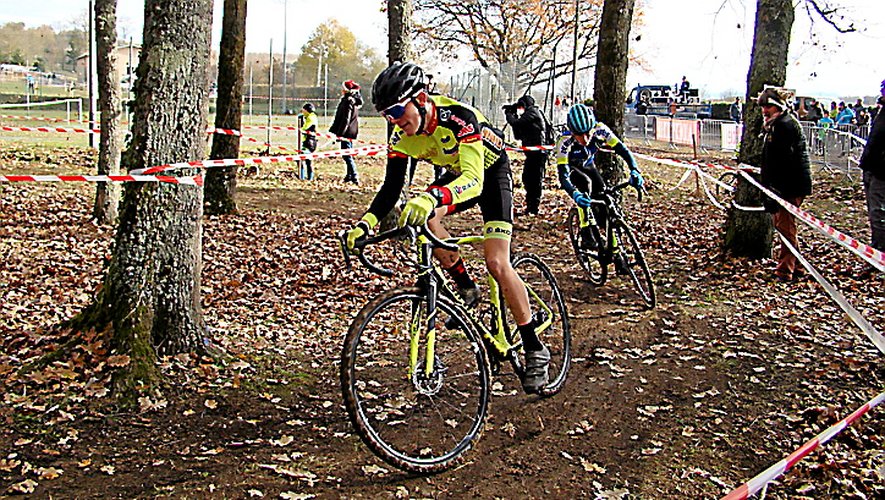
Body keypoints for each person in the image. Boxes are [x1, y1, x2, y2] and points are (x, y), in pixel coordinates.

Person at [343, 62, 551, 393]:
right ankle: (466, 288)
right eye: (386, 116)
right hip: (457, 176)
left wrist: (432, 196)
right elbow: (391, 186)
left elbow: (474, 179)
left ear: (421, 98)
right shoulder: (402, 136)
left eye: (397, 111)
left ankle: (534, 347)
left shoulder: (459, 118)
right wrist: (365, 224)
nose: (394, 121)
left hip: (489, 175)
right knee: (426, 218)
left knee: (497, 262)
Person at [555, 103, 644, 271]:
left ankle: (617, 252)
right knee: (585, 186)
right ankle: (586, 230)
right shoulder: (564, 142)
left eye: (588, 133)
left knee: (606, 199)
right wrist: (574, 194)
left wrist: (634, 170)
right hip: (573, 169)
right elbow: (563, 176)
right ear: (572, 133)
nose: (586, 138)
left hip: (589, 166)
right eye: (580, 136)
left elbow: (623, 151)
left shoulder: (600, 129)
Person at [756, 87, 812, 282]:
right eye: (763, 106)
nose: (765, 110)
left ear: (778, 106)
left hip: (789, 186)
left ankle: (785, 270)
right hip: (783, 185)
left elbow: (783, 162)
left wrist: (776, 190)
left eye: (768, 106)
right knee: (784, 227)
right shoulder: (776, 124)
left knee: (786, 229)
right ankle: (797, 267)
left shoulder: (784, 126)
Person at [504, 94, 549, 216]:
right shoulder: (527, 116)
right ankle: (530, 207)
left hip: (539, 154)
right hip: (531, 154)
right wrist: (512, 115)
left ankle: (533, 208)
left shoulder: (533, 112)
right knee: (527, 179)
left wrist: (510, 114)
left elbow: (516, 123)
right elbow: (518, 134)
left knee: (534, 180)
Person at [858, 80, 885, 255]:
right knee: (875, 213)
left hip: (881, 171)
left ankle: (880, 253)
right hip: (871, 168)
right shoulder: (881, 112)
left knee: (879, 215)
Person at [330, 79, 363, 184]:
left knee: (347, 155)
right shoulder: (349, 100)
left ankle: (354, 176)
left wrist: (341, 134)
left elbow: (346, 119)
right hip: (348, 132)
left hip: (347, 132)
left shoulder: (348, 101)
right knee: (347, 153)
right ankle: (349, 176)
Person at [299, 103, 318, 180]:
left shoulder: (310, 118)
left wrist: (301, 125)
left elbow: (304, 128)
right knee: (306, 160)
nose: (302, 111)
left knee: (304, 160)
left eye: (303, 109)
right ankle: (308, 177)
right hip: (309, 141)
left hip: (309, 142)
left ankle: (304, 177)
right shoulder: (310, 117)